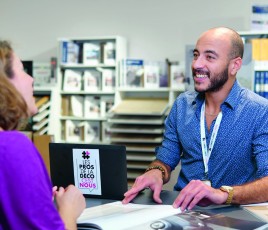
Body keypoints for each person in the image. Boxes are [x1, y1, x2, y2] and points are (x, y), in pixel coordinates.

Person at [122, 27, 268, 211]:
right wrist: (156, 172)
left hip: (232, 215)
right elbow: (166, 159)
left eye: (209, 57)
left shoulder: (260, 111)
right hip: (182, 211)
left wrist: (223, 194)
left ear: (235, 65)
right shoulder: (182, 105)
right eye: (196, 55)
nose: (197, 64)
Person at [0, 40, 86, 229]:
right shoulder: (12, 147)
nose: (31, 79)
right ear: (4, 84)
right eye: (22, 70)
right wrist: (68, 210)